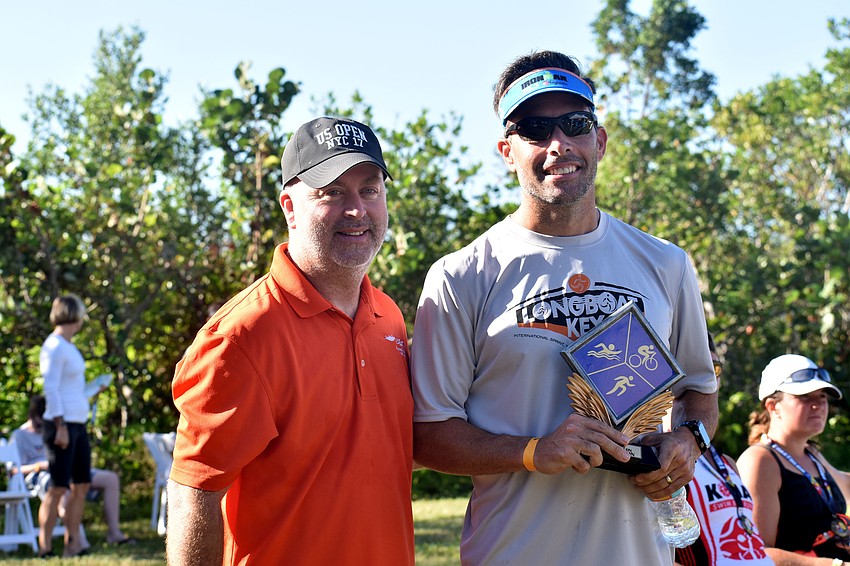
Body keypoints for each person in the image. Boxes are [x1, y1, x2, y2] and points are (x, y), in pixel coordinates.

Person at [410, 50, 718, 565]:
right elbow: (428, 436)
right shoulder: (460, 276)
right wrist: (532, 451)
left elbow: (699, 397)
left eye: (575, 124)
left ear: (598, 141)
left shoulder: (666, 263)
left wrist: (686, 444)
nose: (559, 145)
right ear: (507, 150)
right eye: (535, 128)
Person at [167, 116, 415, 565]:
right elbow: (194, 493)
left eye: (370, 190)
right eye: (332, 192)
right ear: (289, 208)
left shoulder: (389, 318)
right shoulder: (241, 337)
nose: (357, 209)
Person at [737, 354, 850, 564]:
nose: (818, 405)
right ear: (773, 406)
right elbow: (755, 552)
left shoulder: (812, 454)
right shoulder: (761, 460)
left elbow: (846, 485)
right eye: (805, 397)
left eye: (823, 397)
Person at [675, 335, 774, 565]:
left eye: (715, 368)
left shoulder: (726, 462)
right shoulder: (657, 451)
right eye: (697, 367)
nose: (709, 377)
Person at [11, 395, 135, 550]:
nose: (44, 426)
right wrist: (39, 466)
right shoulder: (20, 435)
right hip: (40, 475)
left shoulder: (57, 428)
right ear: (32, 415)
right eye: (40, 421)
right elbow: (14, 470)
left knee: (110, 479)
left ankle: (114, 533)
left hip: (65, 467)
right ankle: (75, 541)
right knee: (64, 488)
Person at [38, 293, 92, 558]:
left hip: (78, 424)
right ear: (73, 314)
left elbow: (71, 388)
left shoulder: (70, 346)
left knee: (81, 485)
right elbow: (51, 388)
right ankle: (45, 548)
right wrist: (59, 426)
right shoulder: (54, 346)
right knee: (58, 487)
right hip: (62, 425)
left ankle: (73, 545)